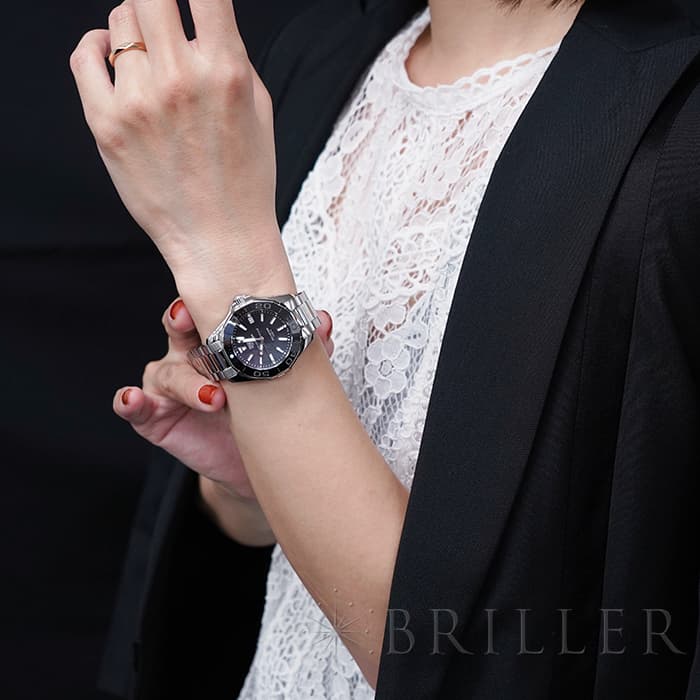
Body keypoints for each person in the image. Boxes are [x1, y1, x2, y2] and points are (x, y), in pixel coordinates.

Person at [70, 0, 700, 698]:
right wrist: (255, 478)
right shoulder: (324, 54)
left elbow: (467, 660)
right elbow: (243, 584)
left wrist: (225, 251)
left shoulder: (673, 136)